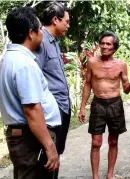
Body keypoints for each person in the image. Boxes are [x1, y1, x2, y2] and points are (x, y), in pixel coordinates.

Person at [0, 7, 60, 179]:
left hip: (25, 136)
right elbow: (32, 110)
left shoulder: (9, 58)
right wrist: (49, 146)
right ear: (31, 33)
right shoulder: (24, 64)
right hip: (31, 139)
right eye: (40, 29)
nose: (42, 33)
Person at [78, 31, 130, 179]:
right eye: (102, 43)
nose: (104, 46)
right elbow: (88, 84)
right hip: (98, 104)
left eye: (108, 44)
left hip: (115, 104)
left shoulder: (121, 65)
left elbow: (126, 90)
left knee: (113, 141)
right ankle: (95, 177)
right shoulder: (92, 62)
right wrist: (82, 107)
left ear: (114, 47)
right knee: (96, 142)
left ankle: (110, 175)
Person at [34, 1, 71, 162]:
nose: (68, 25)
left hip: (62, 106)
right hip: (52, 109)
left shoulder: (54, 41)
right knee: (48, 158)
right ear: (55, 20)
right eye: (66, 22)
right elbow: (35, 77)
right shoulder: (41, 41)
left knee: (57, 154)